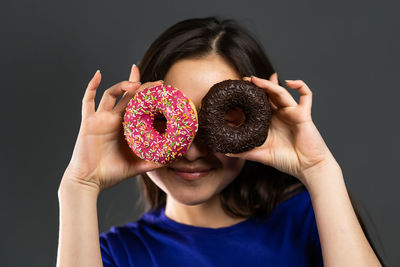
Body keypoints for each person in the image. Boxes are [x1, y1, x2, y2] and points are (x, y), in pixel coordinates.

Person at [56, 17, 384, 266]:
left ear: (261, 119)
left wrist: (320, 169)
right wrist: (79, 185)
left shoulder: (306, 220)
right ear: (136, 116)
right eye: (169, 120)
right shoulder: (115, 254)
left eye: (224, 118)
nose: (193, 151)